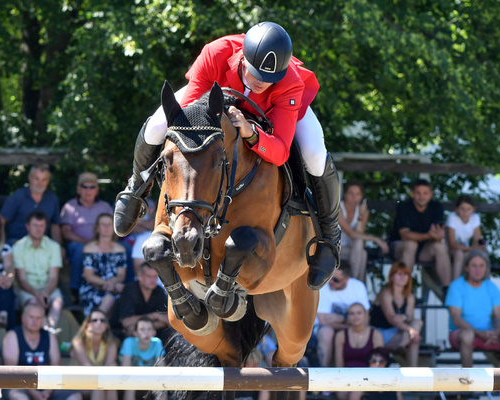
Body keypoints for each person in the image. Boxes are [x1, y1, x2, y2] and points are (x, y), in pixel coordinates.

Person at [113, 21, 341, 290]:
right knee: (156, 126)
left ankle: (330, 236)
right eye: (256, 74)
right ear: (243, 59)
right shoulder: (215, 53)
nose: (262, 82)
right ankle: (136, 188)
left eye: (269, 79)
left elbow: (279, 151)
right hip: (212, 104)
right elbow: (191, 115)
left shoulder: (288, 82)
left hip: (269, 115)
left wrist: (251, 133)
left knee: (314, 155)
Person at [2, 300, 82, 400]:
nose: (35, 321)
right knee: (17, 395)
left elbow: (56, 367)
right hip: (20, 384)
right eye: (31, 317)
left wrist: (47, 391)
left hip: (47, 383)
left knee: (74, 395)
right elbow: (12, 371)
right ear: (23, 318)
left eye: (38, 318)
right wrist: (33, 392)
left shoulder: (49, 337)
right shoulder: (12, 336)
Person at [445, 250, 500, 368]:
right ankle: (469, 377)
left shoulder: (491, 286)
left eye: (481, 266)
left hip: (488, 335)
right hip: (462, 334)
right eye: (474, 266)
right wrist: (479, 333)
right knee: (468, 335)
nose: (478, 270)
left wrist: (496, 333)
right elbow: (456, 318)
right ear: (466, 268)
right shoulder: (456, 286)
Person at [389, 179, 451, 293]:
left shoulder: (436, 207)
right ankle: (403, 290)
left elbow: (438, 232)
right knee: (411, 245)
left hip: (424, 250)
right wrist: (428, 235)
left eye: (425, 193)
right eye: (418, 193)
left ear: (431, 194)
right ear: (412, 194)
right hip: (400, 248)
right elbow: (404, 235)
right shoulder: (404, 206)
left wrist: (439, 235)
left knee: (440, 247)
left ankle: (448, 290)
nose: (422, 196)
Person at [60, 172, 113, 299]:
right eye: (84, 186)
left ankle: (125, 287)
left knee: (125, 248)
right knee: (79, 249)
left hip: (104, 243)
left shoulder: (105, 206)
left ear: (97, 190)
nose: (88, 190)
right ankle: (75, 290)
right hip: (79, 244)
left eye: (92, 187)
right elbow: (66, 232)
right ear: (78, 189)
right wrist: (87, 242)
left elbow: (115, 227)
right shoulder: (70, 206)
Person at [70, 309, 119, 400]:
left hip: (100, 382)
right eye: (94, 320)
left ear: (106, 325)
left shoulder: (111, 342)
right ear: (87, 324)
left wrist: (109, 369)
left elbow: (110, 365)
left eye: (102, 320)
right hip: (79, 384)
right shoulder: (78, 342)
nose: (99, 323)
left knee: (109, 387)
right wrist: (108, 369)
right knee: (99, 386)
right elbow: (87, 367)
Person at [13, 210, 64, 332]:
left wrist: (45, 293)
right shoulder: (18, 247)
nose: (38, 229)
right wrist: (37, 295)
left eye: (41, 225)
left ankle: (50, 329)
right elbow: (22, 280)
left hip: (48, 288)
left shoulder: (54, 246)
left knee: (58, 301)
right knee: (32, 302)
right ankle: (46, 331)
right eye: (35, 225)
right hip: (27, 289)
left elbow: (53, 278)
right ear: (28, 226)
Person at [314, 260, 370, 368]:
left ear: (347, 279)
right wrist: (350, 323)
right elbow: (323, 321)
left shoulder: (358, 286)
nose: (331, 282)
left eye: (336, 280)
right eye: (329, 278)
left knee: (371, 333)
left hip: (348, 328)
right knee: (327, 332)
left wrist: (340, 318)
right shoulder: (323, 286)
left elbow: (365, 318)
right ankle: (323, 372)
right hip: (320, 329)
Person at [119, 316, 167, 400]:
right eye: (142, 329)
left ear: (154, 332)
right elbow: (125, 369)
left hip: (149, 382)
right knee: (129, 388)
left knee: (162, 388)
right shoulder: (129, 342)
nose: (146, 333)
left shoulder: (157, 343)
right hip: (131, 381)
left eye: (149, 329)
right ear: (135, 333)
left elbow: (162, 369)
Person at [370, 261, 423, 367]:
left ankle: (402, 347)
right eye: (399, 274)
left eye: (405, 274)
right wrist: (410, 330)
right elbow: (392, 319)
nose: (402, 277)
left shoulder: (409, 296)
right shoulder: (386, 293)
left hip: (398, 332)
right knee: (413, 337)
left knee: (417, 323)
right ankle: (411, 369)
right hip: (380, 333)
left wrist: (404, 318)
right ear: (392, 276)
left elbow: (410, 318)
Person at [338, 180, 388, 282]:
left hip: (351, 250)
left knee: (361, 248)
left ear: (361, 196)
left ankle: (355, 282)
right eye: (351, 193)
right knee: (362, 253)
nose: (354, 197)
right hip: (335, 249)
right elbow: (351, 233)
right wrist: (376, 239)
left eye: (357, 194)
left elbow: (359, 233)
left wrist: (360, 216)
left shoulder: (363, 211)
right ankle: (356, 283)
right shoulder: (338, 208)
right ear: (345, 194)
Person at [0, 164, 62, 245]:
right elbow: (1, 220)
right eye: (37, 179)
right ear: (30, 178)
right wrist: (0, 244)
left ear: (48, 181)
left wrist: (58, 247)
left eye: (44, 180)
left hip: (42, 244)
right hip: (16, 242)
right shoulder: (18, 196)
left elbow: (55, 226)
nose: (40, 183)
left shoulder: (52, 199)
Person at [78, 213, 127, 317]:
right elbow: (89, 276)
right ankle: (96, 321)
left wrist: (112, 283)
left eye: (110, 224)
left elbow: (121, 275)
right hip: (93, 287)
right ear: (97, 228)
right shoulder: (89, 248)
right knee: (109, 298)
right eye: (103, 224)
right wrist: (106, 283)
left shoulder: (120, 249)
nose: (107, 227)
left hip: (113, 286)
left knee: (126, 295)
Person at [333, 302, 384, 400]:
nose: (355, 316)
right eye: (352, 313)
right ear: (348, 317)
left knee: (356, 392)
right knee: (342, 394)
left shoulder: (376, 335)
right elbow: (339, 365)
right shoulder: (341, 335)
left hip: (369, 377)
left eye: (359, 313)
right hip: (347, 377)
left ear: (365, 315)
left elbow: (380, 364)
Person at [111, 262, 168, 339]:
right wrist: (155, 316)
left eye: (155, 276)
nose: (153, 280)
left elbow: (167, 320)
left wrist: (141, 329)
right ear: (140, 277)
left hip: (148, 333)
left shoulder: (159, 291)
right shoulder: (130, 290)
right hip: (121, 333)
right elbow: (126, 322)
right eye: (149, 276)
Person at [445, 194, 483, 281]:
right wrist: (471, 248)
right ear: (457, 209)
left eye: (468, 209)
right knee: (459, 254)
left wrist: (481, 246)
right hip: (449, 250)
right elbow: (452, 244)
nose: (465, 212)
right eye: (462, 209)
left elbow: (478, 239)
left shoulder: (475, 218)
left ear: (473, 209)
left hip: (465, 249)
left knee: (481, 255)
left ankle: (481, 283)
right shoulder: (452, 218)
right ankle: (455, 283)